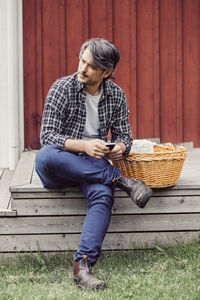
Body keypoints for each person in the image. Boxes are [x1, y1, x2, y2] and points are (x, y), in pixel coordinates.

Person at [35, 38, 152, 290]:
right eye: (82, 61)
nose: (82, 68)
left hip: (93, 167)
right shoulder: (61, 88)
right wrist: (84, 145)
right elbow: (48, 136)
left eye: (90, 66)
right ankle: (120, 179)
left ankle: (83, 267)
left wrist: (118, 148)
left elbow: (124, 137)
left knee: (102, 193)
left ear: (106, 72)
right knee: (44, 155)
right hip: (60, 164)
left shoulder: (116, 95)